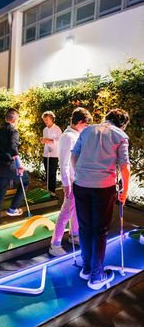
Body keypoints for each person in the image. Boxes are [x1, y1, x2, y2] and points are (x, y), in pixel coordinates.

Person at [71, 108, 131, 290]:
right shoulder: (120, 135)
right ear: (123, 123)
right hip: (103, 188)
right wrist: (125, 191)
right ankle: (96, 276)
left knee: (85, 227)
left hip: (81, 185)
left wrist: (80, 175)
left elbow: (74, 156)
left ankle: (87, 268)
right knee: (100, 230)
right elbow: (125, 167)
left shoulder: (87, 129)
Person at [49, 107, 93, 256]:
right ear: (80, 122)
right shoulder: (68, 137)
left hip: (78, 180)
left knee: (75, 210)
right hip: (73, 182)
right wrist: (67, 185)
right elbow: (64, 163)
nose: (86, 128)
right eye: (85, 125)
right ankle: (55, 245)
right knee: (66, 212)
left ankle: (74, 236)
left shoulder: (75, 135)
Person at [0, 108, 29, 226]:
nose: (17, 121)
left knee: (0, 194)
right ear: (14, 119)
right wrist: (20, 164)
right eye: (17, 119)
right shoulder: (13, 131)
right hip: (8, 166)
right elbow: (13, 147)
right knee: (26, 181)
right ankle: (13, 208)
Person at [40, 111, 62, 196]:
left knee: (52, 173)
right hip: (46, 153)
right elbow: (45, 141)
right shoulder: (44, 130)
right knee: (47, 172)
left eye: (47, 120)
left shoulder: (57, 129)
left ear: (52, 119)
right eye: (44, 120)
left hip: (54, 154)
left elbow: (60, 141)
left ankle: (52, 191)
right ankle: (48, 190)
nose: (45, 121)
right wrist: (43, 140)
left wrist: (50, 141)